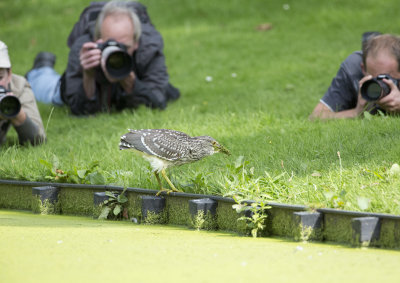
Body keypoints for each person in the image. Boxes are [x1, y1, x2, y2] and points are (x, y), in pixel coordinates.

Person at [27, 0, 179, 116]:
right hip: (69, 87)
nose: (117, 53)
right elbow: (76, 108)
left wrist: (131, 83)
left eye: (124, 47)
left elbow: (158, 101)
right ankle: (41, 70)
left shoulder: (149, 48)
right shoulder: (84, 48)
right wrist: (87, 76)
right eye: (109, 44)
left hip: (136, 77)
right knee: (53, 93)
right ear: (97, 39)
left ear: (136, 42)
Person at [309, 33, 400, 120]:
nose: (379, 85)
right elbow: (315, 117)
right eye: (374, 79)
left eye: (386, 78)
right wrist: (357, 112)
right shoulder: (352, 69)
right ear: (363, 68)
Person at [0, 41, 46, 146]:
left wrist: (18, 115)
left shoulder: (18, 86)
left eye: (0, 77)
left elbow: (39, 140)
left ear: (9, 73)